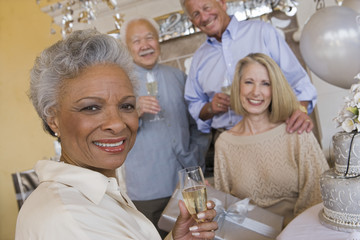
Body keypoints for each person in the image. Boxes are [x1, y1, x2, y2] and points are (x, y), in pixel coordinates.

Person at [15, 29, 218, 240]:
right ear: (53, 119)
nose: (117, 124)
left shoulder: (94, 193)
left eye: (127, 105)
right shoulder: (71, 220)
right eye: (92, 108)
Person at [119, 17, 211, 237]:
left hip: (188, 186)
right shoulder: (120, 85)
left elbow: (199, 124)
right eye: (136, 40)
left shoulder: (179, 77)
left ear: (159, 41)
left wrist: (195, 156)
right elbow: (113, 133)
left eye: (149, 37)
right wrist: (134, 112)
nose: (145, 45)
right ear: (127, 48)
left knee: (197, 235)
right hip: (146, 191)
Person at [213, 53, 329, 227]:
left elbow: (319, 195)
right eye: (249, 82)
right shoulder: (224, 144)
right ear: (238, 86)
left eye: (265, 83)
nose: (256, 92)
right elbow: (226, 210)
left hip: (302, 233)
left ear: (274, 89)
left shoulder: (297, 131)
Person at [180, 0, 317, 136]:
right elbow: (194, 105)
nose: (204, 17)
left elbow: (298, 81)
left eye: (207, 7)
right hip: (227, 139)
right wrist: (211, 107)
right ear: (193, 22)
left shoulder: (262, 31)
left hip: (274, 131)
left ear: (222, 3)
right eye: (196, 14)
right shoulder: (198, 58)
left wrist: (301, 110)